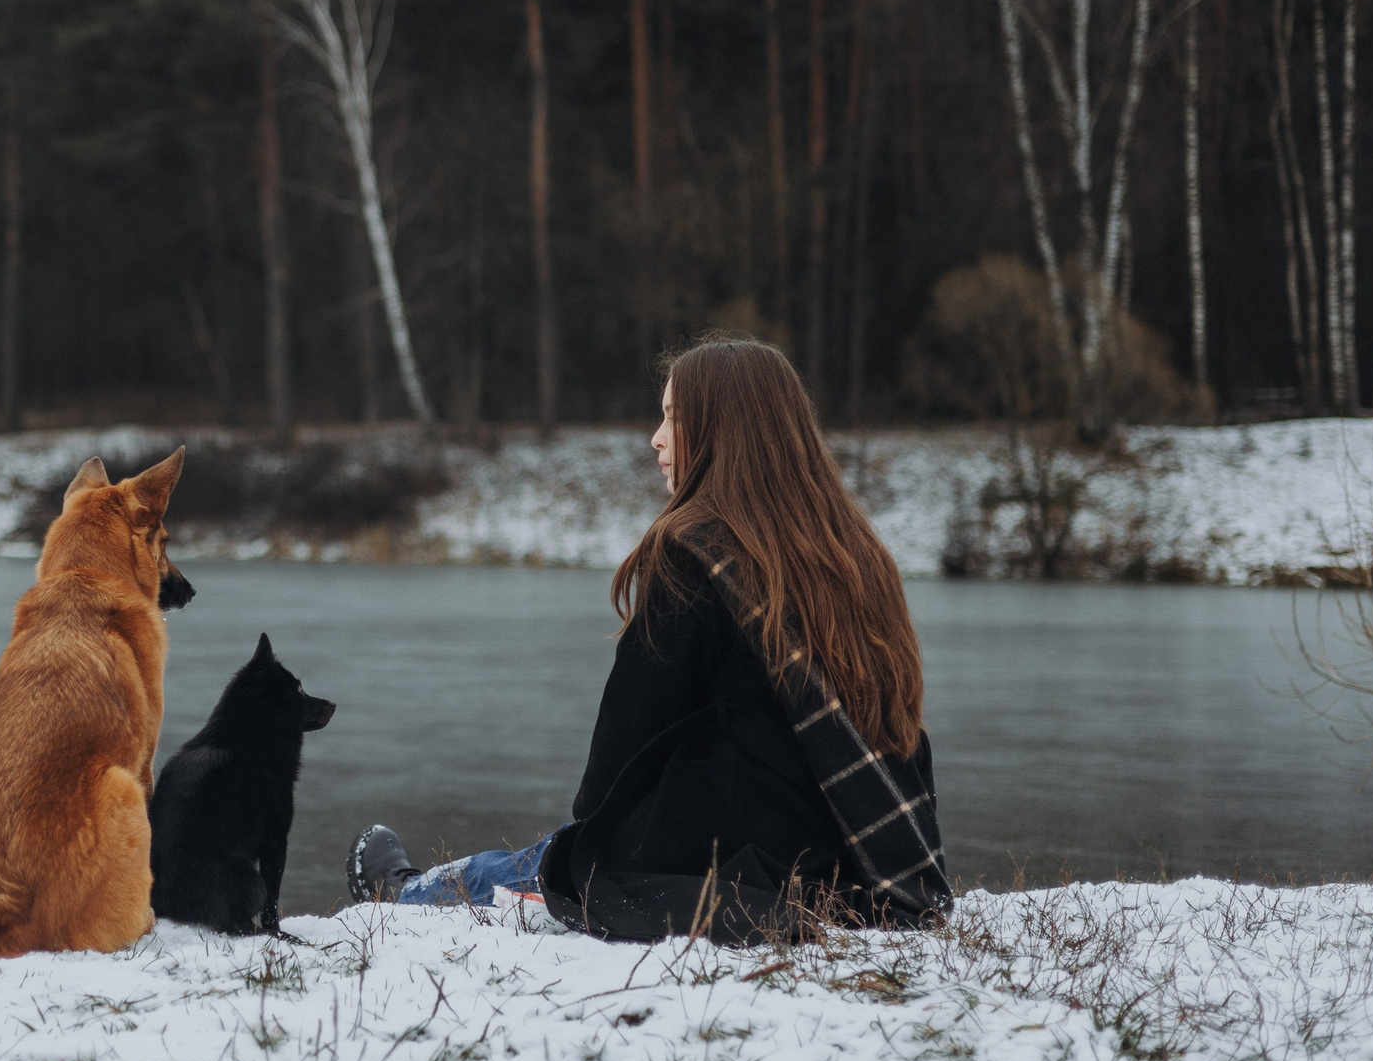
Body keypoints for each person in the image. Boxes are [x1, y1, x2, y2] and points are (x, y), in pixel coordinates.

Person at [346, 334, 948, 942]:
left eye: (673, 418)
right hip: (850, 866)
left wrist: (592, 831)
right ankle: (416, 886)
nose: (656, 439)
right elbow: (899, 725)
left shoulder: (697, 554)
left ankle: (403, 892)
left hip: (736, 871)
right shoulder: (860, 559)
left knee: (553, 860)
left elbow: (622, 747)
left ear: (724, 433)